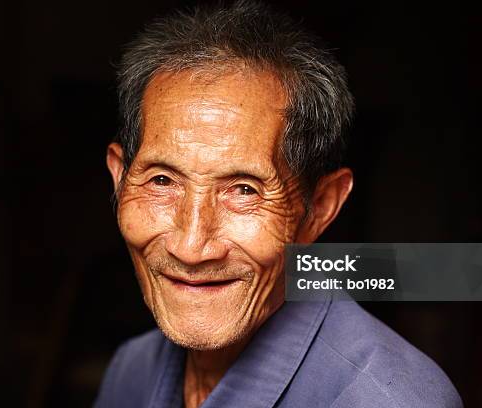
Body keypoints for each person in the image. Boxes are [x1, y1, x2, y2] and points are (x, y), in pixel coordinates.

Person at [95, 1, 463, 407]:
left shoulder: (385, 399)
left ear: (320, 207)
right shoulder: (131, 370)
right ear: (119, 180)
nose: (190, 246)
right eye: (162, 181)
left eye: (244, 190)